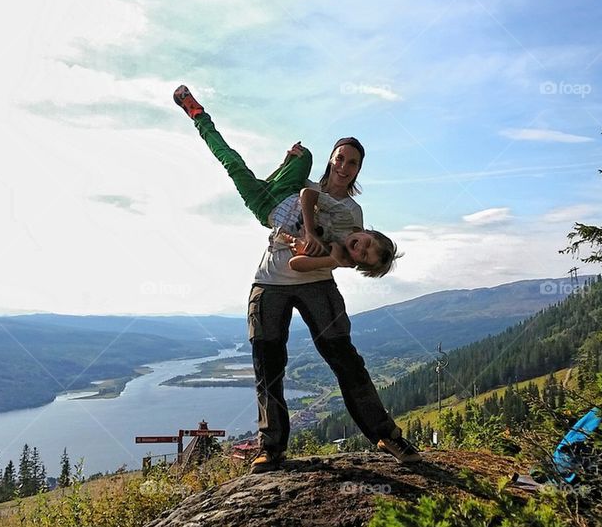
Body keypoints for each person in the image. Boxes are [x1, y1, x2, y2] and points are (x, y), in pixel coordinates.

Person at [173, 85, 422, 472]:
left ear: (358, 170)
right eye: (341, 158)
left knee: (345, 359)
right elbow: (288, 200)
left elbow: (340, 255)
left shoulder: (353, 212)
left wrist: (316, 251)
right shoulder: (303, 184)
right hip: (270, 278)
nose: (344, 166)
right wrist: (290, 169)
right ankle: (271, 447)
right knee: (267, 363)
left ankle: (386, 436)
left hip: (316, 281)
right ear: (332, 158)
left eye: (353, 163)